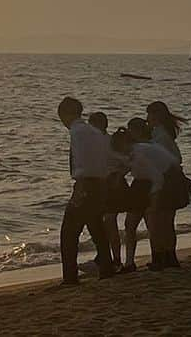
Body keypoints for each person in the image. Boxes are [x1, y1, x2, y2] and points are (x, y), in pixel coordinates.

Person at [111, 123, 187, 270]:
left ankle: (161, 258)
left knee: (157, 221)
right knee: (157, 223)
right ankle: (164, 258)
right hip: (156, 180)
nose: (120, 153)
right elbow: (133, 165)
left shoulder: (139, 153)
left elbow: (157, 178)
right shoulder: (140, 149)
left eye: (120, 149)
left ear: (126, 143)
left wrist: (154, 201)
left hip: (166, 181)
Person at [57, 97, 115, 284]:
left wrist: (80, 185)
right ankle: (107, 268)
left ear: (65, 114)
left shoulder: (77, 132)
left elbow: (81, 159)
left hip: (86, 183)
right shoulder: (95, 132)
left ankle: (70, 276)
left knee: (69, 231)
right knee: (96, 227)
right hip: (101, 183)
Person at [88, 112, 125, 269]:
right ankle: (107, 257)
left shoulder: (104, 142)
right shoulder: (108, 141)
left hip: (110, 183)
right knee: (106, 222)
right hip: (109, 182)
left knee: (108, 222)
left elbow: (123, 160)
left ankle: (113, 259)